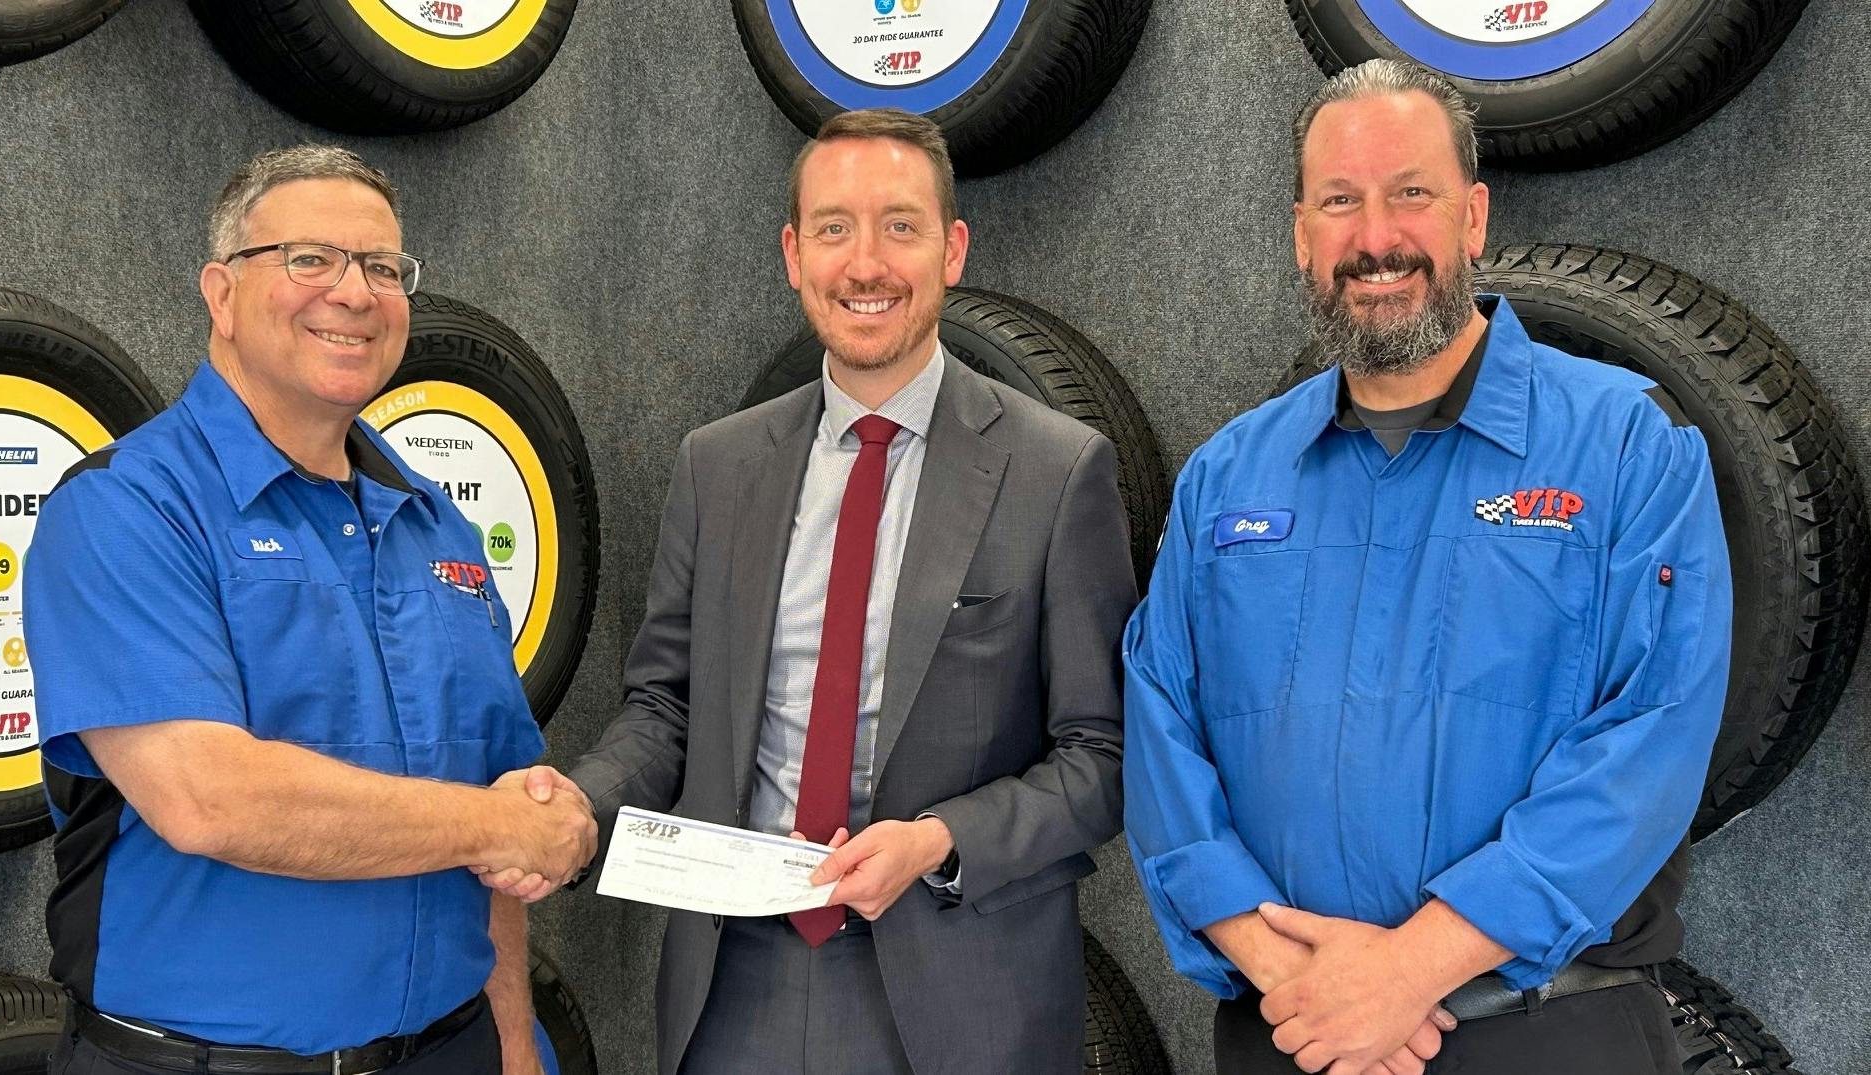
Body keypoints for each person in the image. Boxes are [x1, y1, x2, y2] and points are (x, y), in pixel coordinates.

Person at [1123, 59, 1731, 1075]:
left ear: (1472, 217)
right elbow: (1160, 736)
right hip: (1294, 1032)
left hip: (1546, 1037)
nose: (1376, 238)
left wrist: (1409, 971)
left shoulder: (1626, 445)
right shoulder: (1225, 477)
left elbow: (1651, 738)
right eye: (1339, 202)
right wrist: (1292, 975)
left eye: (1410, 193)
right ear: (1301, 234)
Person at [536, 108, 1137, 1074]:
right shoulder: (717, 466)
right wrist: (579, 805)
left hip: (962, 998)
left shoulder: (1057, 471)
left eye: (900, 226)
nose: (865, 264)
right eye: (833, 228)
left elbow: (1102, 758)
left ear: (952, 249)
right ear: (793, 255)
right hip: (736, 989)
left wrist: (938, 840)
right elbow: (666, 708)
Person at [24, 145, 597, 1075]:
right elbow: (207, 798)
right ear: (221, 294)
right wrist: (498, 826)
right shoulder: (126, 509)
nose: (355, 292)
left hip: (449, 1051)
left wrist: (511, 1040)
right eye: (310, 259)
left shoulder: (438, 526)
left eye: (383, 267)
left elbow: (499, 798)